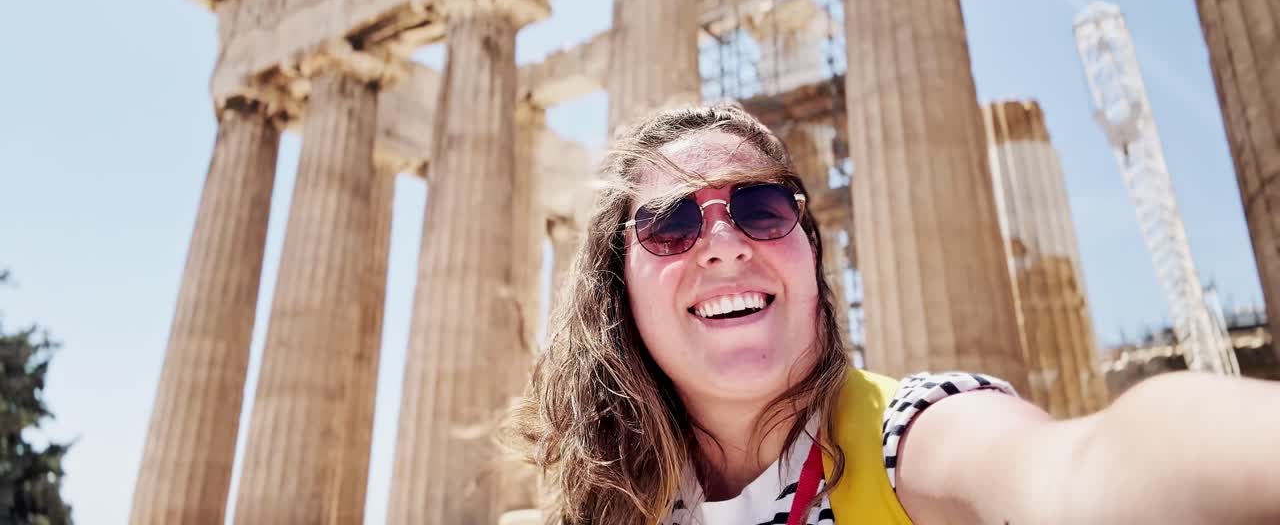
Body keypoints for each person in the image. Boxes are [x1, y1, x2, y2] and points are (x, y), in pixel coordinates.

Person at [509, 103, 1280, 524]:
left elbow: (1077, 472)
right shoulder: (607, 510)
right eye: (671, 224)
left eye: (763, 207)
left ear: (812, 257)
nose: (721, 244)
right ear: (617, 288)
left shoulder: (908, 441)